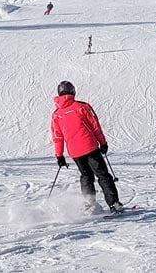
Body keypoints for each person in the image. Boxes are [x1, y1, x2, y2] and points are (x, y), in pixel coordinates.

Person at [51, 81, 124, 213]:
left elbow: (58, 136)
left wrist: (59, 156)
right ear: (73, 92)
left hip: (75, 152)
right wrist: (103, 142)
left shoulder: (57, 114)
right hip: (89, 147)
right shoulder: (82, 107)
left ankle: (89, 204)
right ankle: (114, 203)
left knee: (86, 176)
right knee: (102, 175)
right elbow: (95, 125)